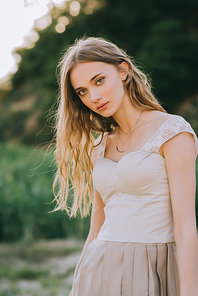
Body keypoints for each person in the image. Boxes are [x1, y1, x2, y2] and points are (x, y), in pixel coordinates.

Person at [53, 37, 198, 296]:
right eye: (82, 91)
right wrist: (78, 283)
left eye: (99, 80)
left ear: (123, 71)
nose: (94, 97)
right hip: (97, 271)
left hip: (152, 268)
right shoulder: (99, 146)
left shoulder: (172, 132)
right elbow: (96, 228)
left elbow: (185, 227)